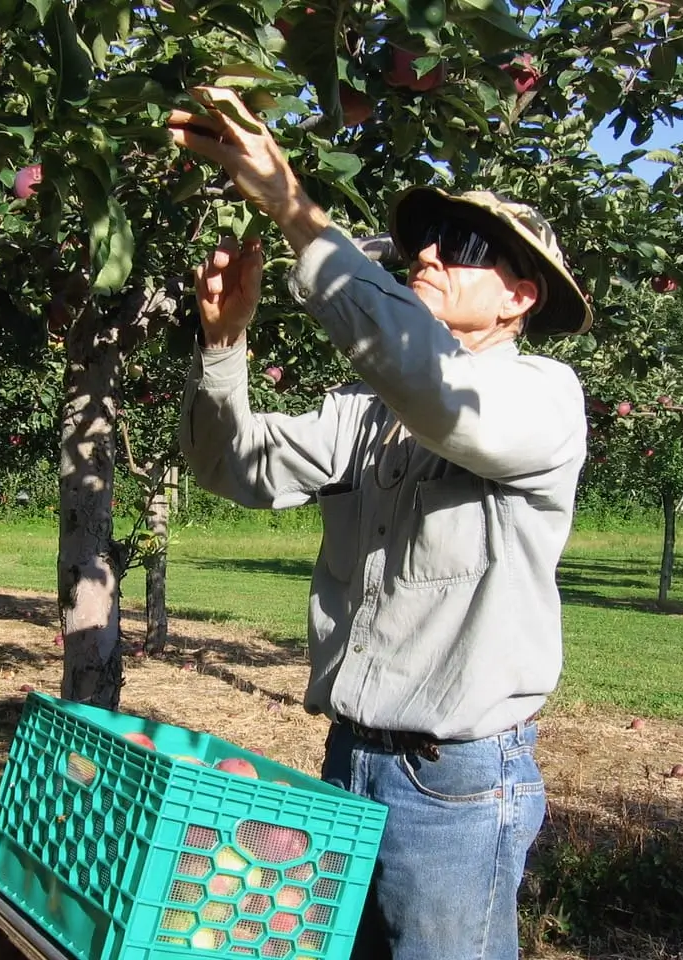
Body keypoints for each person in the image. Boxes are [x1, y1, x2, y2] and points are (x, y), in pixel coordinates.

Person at [170, 87, 593, 960]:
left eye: (464, 247)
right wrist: (223, 347)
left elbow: (440, 392)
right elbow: (232, 469)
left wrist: (291, 206)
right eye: (424, 241)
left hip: (457, 785)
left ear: (521, 296)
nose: (428, 254)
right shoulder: (366, 414)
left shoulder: (543, 399)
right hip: (351, 759)